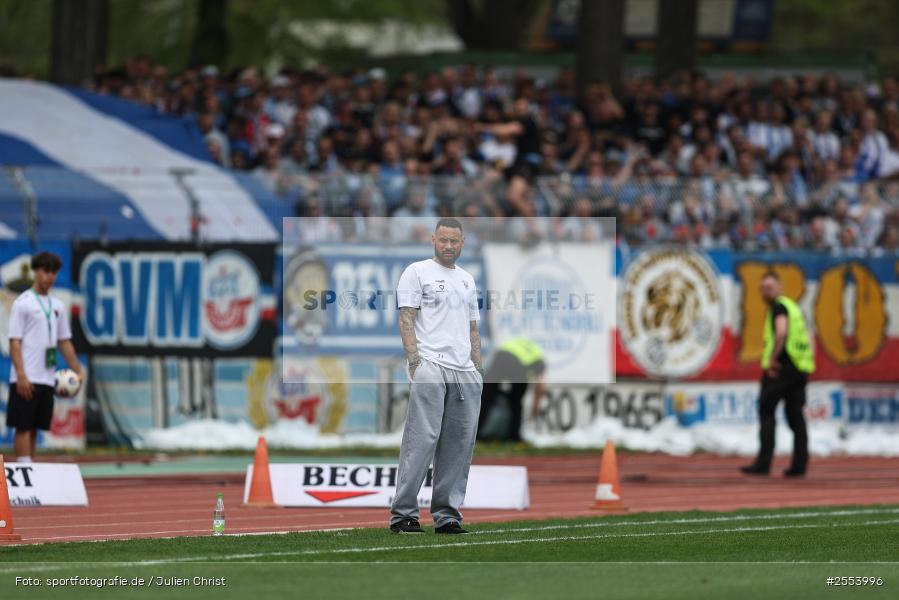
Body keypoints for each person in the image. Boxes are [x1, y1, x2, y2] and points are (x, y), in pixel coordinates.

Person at [390, 218, 483, 534]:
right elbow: (406, 318)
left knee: (459, 445)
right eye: (443, 240)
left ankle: (447, 515)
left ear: (462, 242)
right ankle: (404, 513)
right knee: (422, 438)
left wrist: (478, 370)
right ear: (433, 240)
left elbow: (473, 328)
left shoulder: (468, 280)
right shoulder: (417, 272)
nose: (448, 246)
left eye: (454, 241)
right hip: (430, 363)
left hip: (464, 370)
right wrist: (414, 362)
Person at [6, 252, 83, 462]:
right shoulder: (23, 303)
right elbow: (14, 342)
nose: (49, 276)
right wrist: (21, 374)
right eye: (45, 271)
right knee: (23, 425)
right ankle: (24, 469)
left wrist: (77, 368)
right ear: (36, 272)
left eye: (53, 272)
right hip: (26, 376)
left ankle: (31, 471)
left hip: (47, 377)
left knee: (35, 427)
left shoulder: (56, 305)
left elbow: (64, 341)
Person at [741, 272, 815, 478]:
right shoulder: (795, 308)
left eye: (769, 287)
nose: (766, 291)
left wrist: (773, 359)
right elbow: (809, 336)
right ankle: (800, 465)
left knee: (767, 412)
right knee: (796, 417)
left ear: (780, 287)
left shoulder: (779, 307)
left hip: (781, 368)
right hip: (800, 368)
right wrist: (808, 363)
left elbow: (781, 333)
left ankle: (763, 463)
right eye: (763, 288)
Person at [477, 338, 546, 442]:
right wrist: (535, 409)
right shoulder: (538, 357)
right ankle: (514, 436)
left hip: (501, 356)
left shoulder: (515, 344)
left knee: (487, 397)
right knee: (516, 402)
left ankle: (477, 434)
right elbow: (539, 388)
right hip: (519, 365)